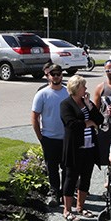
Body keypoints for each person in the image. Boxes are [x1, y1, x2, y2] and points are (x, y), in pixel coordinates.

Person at [59, 75, 103, 221]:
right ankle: (67, 210)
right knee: (71, 178)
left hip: (89, 147)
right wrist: (88, 123)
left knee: (86, 177)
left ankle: (81, 207)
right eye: (83, 86)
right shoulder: (66, 104)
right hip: (74, 148)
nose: (86, 88)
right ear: (76, 88)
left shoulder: (86, 103)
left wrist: (90, 106)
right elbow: (70, 123)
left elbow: (100, 119)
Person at [31, 64, 70, 207]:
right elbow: (34, 117)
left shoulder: (68, 93)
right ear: (48, 76)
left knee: (67, 168)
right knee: (52, 168)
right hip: (49, 138)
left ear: (62, 75)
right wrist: (40, 137)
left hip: (66, 138)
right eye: (53, 74)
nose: (56, 77)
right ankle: (54, 193)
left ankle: (66, 194)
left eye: (58, 74)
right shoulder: (42, 94)